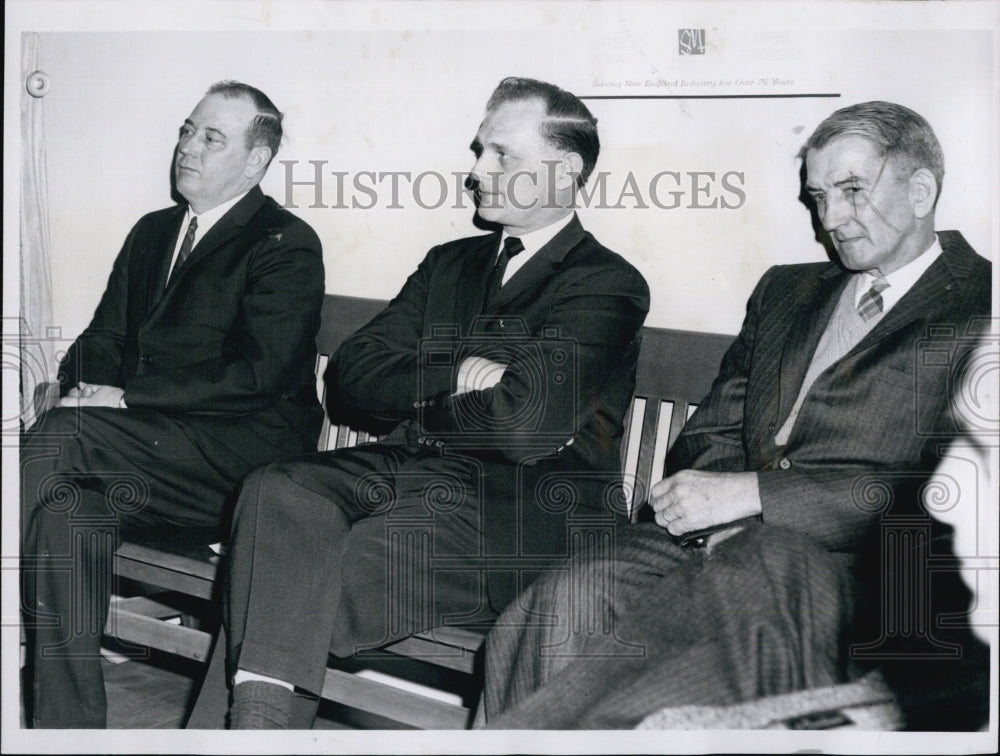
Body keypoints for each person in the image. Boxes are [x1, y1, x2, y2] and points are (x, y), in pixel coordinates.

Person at [476, 100, 992, 729]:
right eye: (819, 196)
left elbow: (955, 493)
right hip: (720, 544)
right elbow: (711, 432)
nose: (830, 218)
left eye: (852, 190)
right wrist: (722, 512)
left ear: (921, 190)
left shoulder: (982, 306)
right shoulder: (787, 290)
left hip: (866, 573)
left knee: (734, 604)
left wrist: (755, 498)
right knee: (558, 606)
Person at [187, 76, 650, 729]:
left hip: (519, 517)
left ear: (565, 170)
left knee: (277, 573)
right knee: (275, 489)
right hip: (414, 480)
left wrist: (423, 395)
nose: (477, 171)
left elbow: (520, 428)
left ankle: (246, 735)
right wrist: (456, 374)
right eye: (480, 150)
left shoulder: (606, 285)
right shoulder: (448, 265)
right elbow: (351, 377)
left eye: (502, 155)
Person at [20, 81, 325, 728]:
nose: (188, 147)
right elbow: (104, 337)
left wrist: (124, 398)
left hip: (239, 469)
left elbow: (258, 376)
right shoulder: (153, 232)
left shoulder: (285, 243)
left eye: (211, 138)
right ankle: (66, 731)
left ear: (255, 160)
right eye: (187, 130)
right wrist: (86, 387)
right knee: (64, 514)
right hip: (149, 462)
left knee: (65, 434)